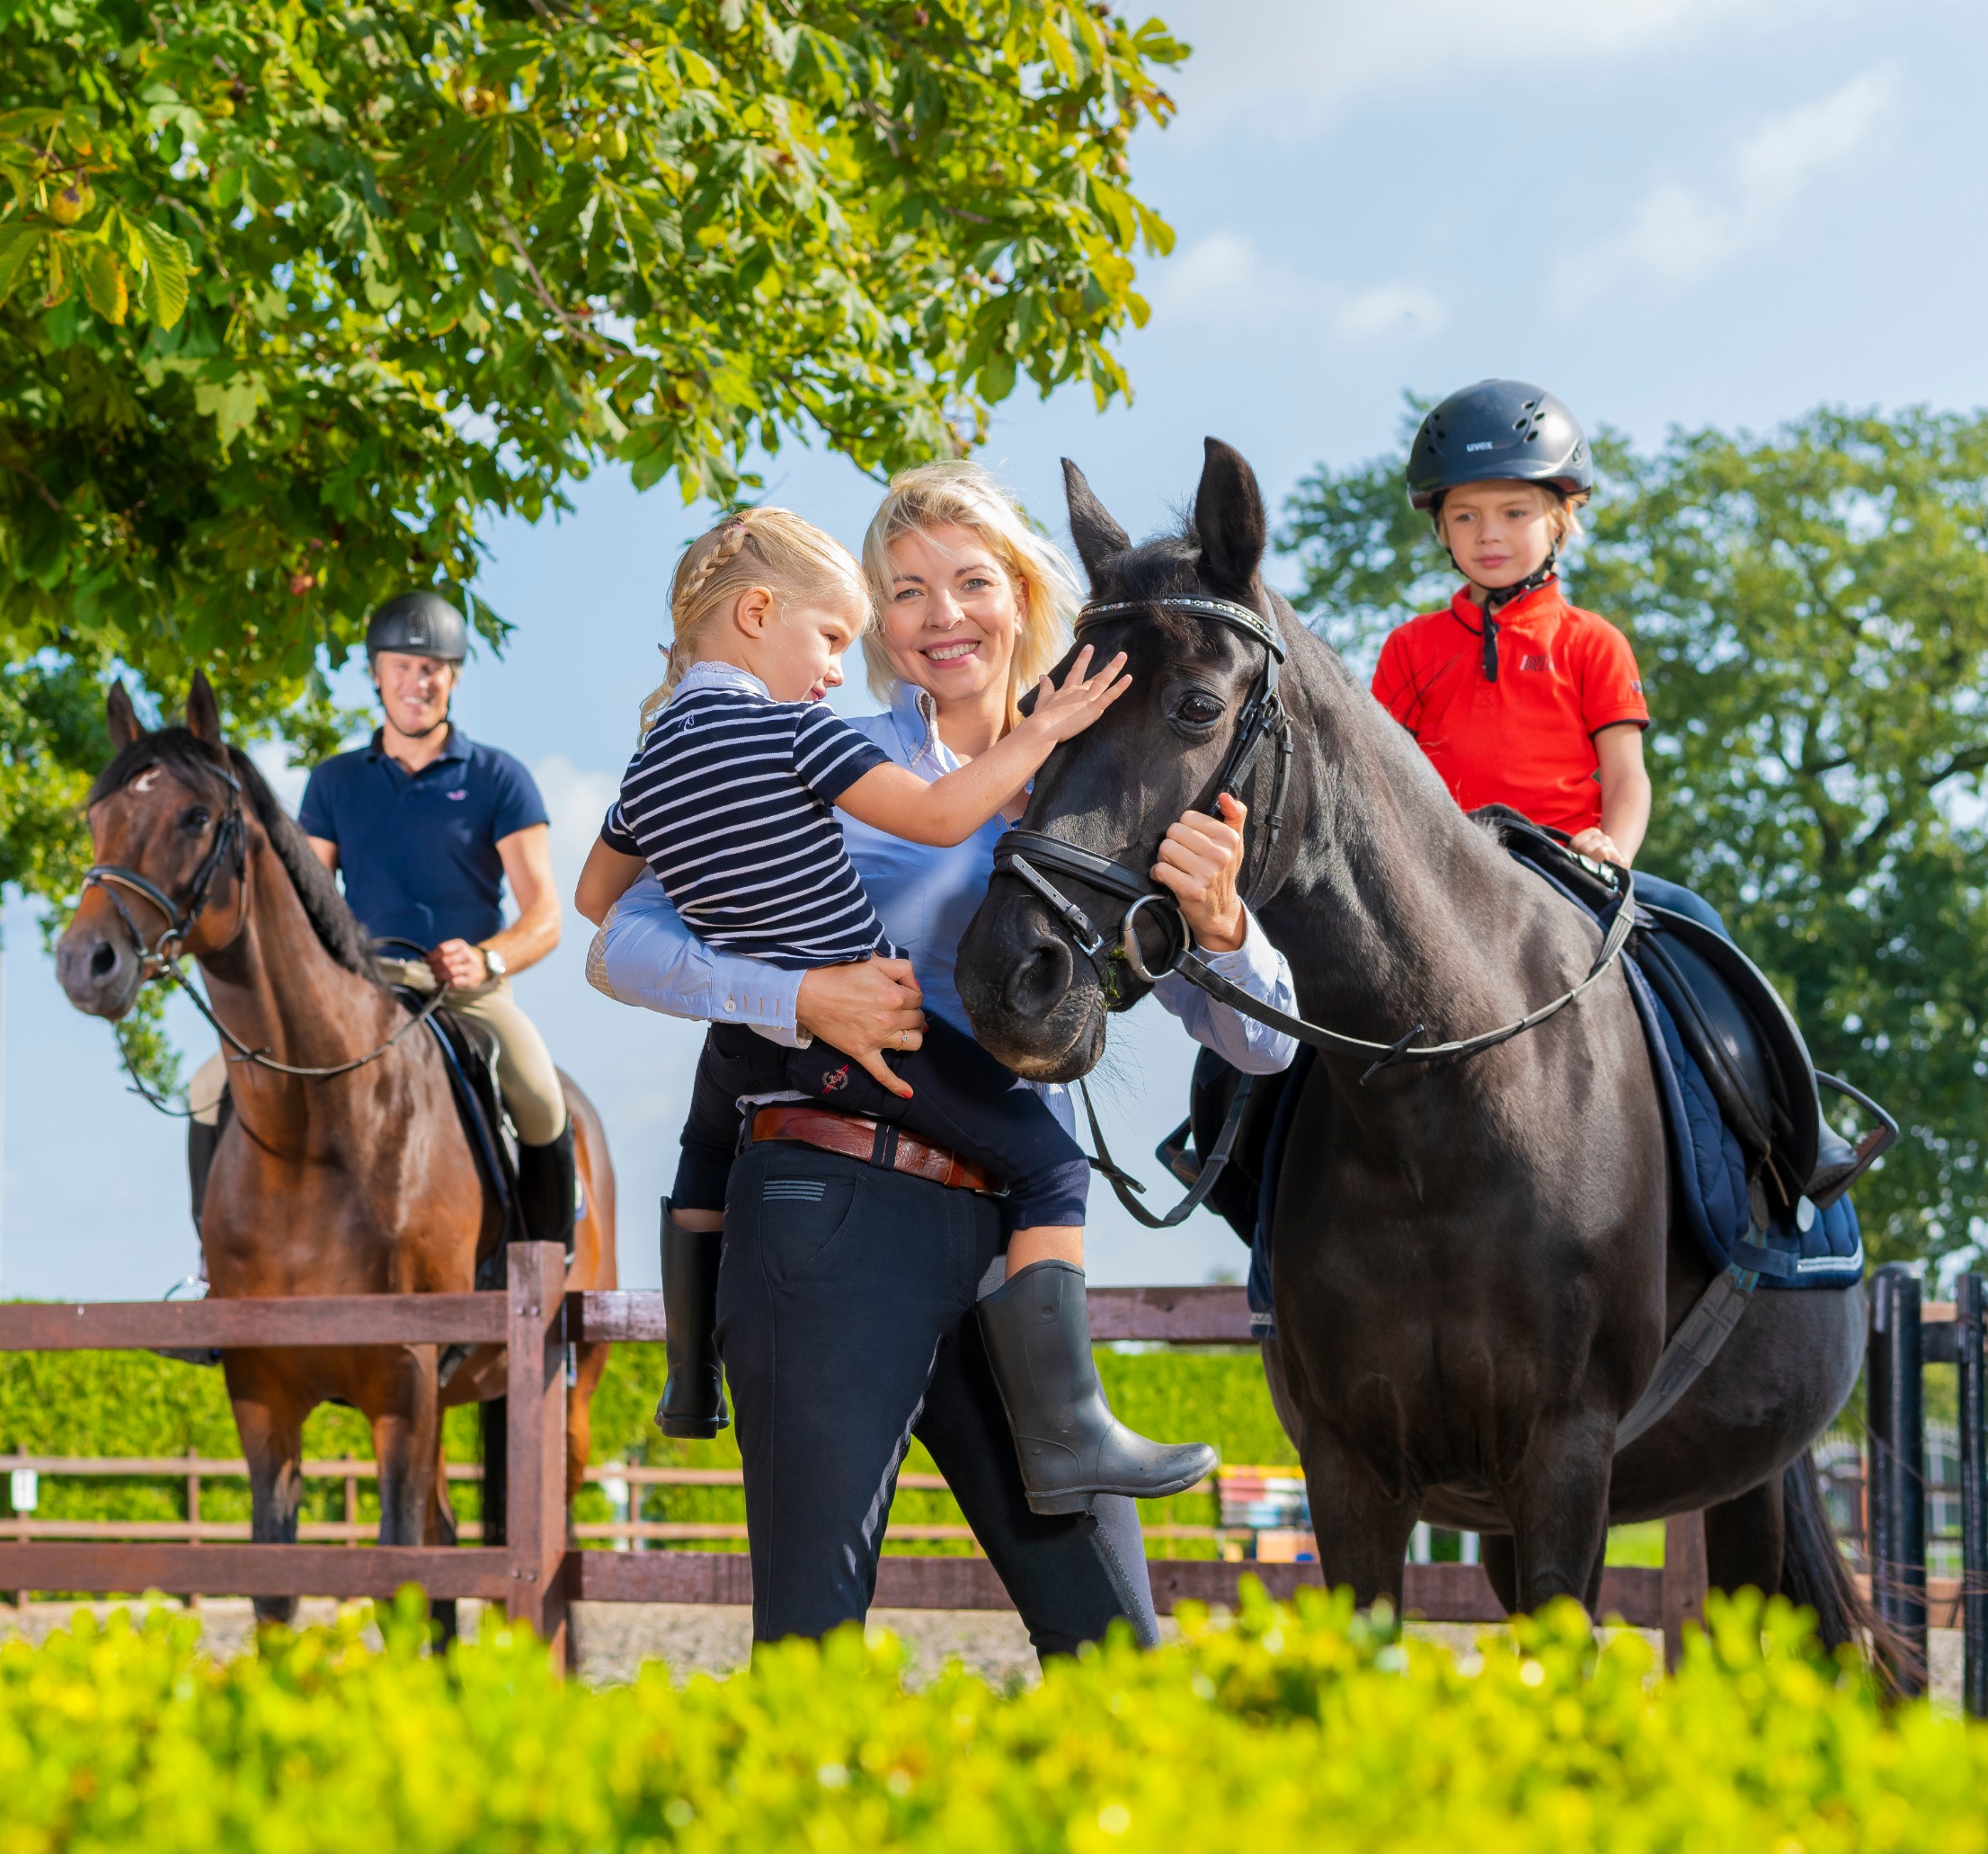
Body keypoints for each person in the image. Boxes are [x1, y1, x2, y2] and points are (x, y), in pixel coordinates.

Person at [592, 463, 1300, 1654]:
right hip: (830, 1212)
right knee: (813, 1657)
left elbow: (1262, 1041)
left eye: (971, 581)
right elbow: (621, 933)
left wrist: (1228, 930)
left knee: (1119, 1654)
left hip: (1014, 1260)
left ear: (1022, 594)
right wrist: (795, 992)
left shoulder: (1111, 783)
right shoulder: (814, 743)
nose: (942, 613)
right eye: (906, 589)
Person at [184, 590, 580, 1247]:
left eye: (432, 668)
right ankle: (212, 1265)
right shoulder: (334, 782)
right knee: (206, 1085)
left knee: (539, 1092)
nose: (416, 682)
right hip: (357, 991)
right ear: (375, 672)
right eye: (401, 666)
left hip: (464, 993)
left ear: (453, 676)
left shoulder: (498, 778)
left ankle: (545, 1275)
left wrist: (488, 958)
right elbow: (305, 903)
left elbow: (545, 915)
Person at [1374, 378, 1724, 932]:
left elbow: (1627, 778)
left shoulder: (1594, 641)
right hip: (1444, 866)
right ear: (1441, 527)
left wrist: (1613, 852)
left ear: (1559, 520)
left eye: (1515, 513)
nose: (1488, 534)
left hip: (1566, 863)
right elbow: (1384, 775)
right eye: (1466, 516)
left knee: (1698, 922)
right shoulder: (1410, 647)